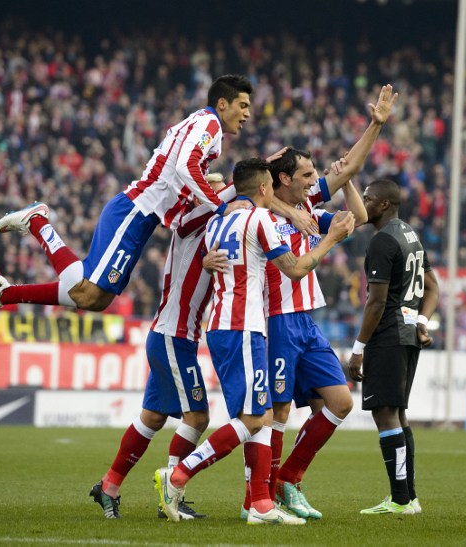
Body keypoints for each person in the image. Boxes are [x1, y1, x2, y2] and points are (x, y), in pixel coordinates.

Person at [88, 151, 308, 521]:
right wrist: (255, 181)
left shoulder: (216, 229)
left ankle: (109, 486)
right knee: (199, 417)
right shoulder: (194, 222)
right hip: (176, 333)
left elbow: (239, 200)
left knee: (153, 418)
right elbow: (236, 198)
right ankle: (173, 489)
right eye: (213, 191)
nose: (218, 196)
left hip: (179, 334)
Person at [154, 158, 355, 525]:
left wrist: (211, 262)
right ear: (265, 188)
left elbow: (204, 258)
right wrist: (330, 240)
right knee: (254, 418)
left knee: (258, 416)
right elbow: (295, 268)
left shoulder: (217, 222)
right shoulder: (260, 220)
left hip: (224, 325)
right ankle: (179, 474)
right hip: (244, 326)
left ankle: (259, 503)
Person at [0, 74, 254, 324]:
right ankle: (38, 223)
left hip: (142, 218)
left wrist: (204, 191)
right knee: (84, 291)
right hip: (135, 211)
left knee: (97, 299)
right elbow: (184, 167)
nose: (247, 114)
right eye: (243, 105)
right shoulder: (210, 125)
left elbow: (180, 172)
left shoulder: (203, 125)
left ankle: (5, 293)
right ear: (222, 103)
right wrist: (222, 207)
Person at [241, 84, 398, 521]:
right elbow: (249, 186)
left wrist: (376, 124)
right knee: (276, 412)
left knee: (341, 402)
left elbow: (355, 197)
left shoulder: (308, 203)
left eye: (315, 176)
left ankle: (288, 478)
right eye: (308, 175)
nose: (316, 181)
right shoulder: (258, 209)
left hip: (306, 321)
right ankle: (261, 496)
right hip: (274, 320)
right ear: (282, 179)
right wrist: (287, 206)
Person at [347, 178, 439, 516]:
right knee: (397, 414)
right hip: (407, 336)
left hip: (386, 337)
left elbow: (376, 302)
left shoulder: (383, 241)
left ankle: (400, 499)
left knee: (385, 414)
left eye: (368, 198)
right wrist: (421, 322)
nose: (364, 203)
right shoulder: (410, 234)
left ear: (384, 204)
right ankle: (408, 497)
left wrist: (358, 348)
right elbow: (433, 287)